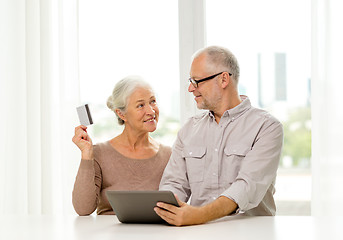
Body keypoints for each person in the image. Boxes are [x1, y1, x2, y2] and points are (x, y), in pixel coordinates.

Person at [155, 46, 283, 226]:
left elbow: (247, 187)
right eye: (190, 81)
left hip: (250, 234)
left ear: (223, 79)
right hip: (197, 232)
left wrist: (197, 215)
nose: (191, 88)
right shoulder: (189, 129)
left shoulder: (266, 127)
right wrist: (167, 208)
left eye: (196, 81)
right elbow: (174, 183)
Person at [72, 76, 171, 215]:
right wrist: (87, 155)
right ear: (121, 113)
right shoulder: (99, 153)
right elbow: (83, 209)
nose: (151, 111)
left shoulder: (169, 155)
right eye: (140, 105)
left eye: (153, 101)